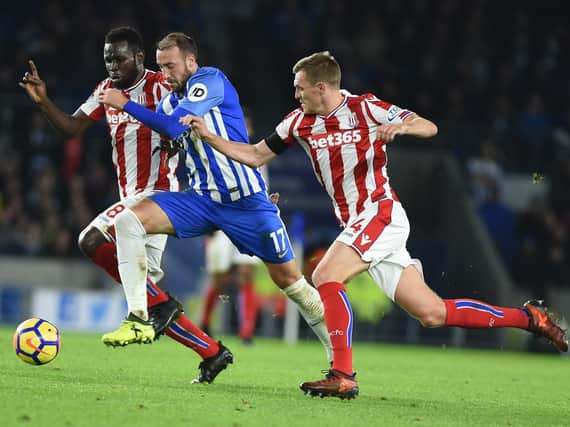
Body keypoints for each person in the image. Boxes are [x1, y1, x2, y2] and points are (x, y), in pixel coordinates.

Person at [179, 51, 569, 399]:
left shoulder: (366, 108)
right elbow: (253, 154)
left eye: (300, 88)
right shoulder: (298, 122)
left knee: (327, 274)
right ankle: (530, 318)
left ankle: (342, 374)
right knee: (431, 312)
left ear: (321, 87)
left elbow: (428, 126)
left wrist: (402, 127)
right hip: (361, 223)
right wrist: (208, 135)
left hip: (380, 212)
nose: (295, 94)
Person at [96, 33, 333, 364]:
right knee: (127, 221)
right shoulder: (166, 103)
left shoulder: (210, 80)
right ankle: (138, 318)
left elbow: (177, 128)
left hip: (247, 203)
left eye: (172, 66)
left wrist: (126, 105)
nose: (165, 73)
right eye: (161, 67)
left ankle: (339, 359)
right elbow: (171, 133)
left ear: (191, 62)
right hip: (202, 202)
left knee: (292, 284)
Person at [19, 26, 233, 384]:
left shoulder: (161, 85)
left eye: (119, 58)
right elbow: (72, 128)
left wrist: (179, 145)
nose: (112, 65)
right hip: (132, 199)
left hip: (159, 193)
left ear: (137, 57)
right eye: (107, 59)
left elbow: (193, 123)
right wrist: (43, 102)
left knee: (90, 240)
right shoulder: (105, 90)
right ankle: (211, 352)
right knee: (151, 297)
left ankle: (157, 308)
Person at [200, 108, 269, 345]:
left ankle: (246, 332)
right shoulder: (219, 150)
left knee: (245, 276)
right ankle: (206, 322)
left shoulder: (259, 156)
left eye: (246, 125)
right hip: (222, 224)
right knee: (219, 280)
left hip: (249, 223)